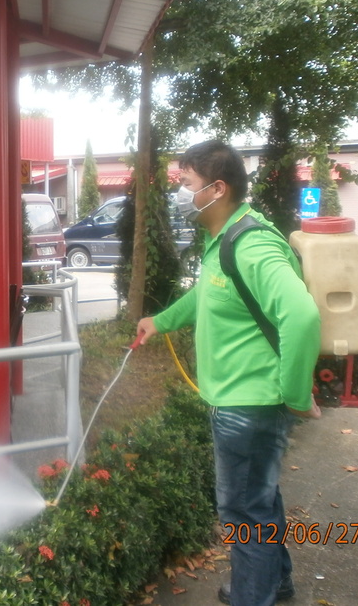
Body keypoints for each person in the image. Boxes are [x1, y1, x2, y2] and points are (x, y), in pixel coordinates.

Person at [136, 140, 321, 606]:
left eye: (187, 184)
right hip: (238, 403)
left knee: (243, 514)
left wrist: (297, 394)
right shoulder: (220, 242)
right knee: (261, 501)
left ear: (217, 189)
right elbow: (207, 297)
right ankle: (273, 582)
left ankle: (250, 593)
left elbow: (302, 316)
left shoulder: (251, 243)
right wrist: (159, 322)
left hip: (251, 406)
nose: (181, 193)